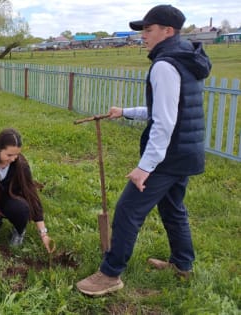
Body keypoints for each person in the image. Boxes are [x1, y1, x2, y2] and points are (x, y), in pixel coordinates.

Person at [77, 4, 211, 296]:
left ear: (168, 31)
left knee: (127, 210)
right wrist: (125, 111)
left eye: (148, 30)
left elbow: (164, 121)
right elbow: (167, 108)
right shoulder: (184, 59)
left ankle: (110, 274)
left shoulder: (165, 65)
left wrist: (145, 167)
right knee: (173, 208)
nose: (143, 37)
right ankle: (182, 265)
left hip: (168, 155)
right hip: (186, 152)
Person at [0, 128, 53, 252]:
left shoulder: (21, 165)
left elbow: (32, 196)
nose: (13, 159)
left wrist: (44, 234)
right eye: (9, 155)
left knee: (22, 209)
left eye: (16, 154)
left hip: (11, 199)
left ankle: (19, 231)